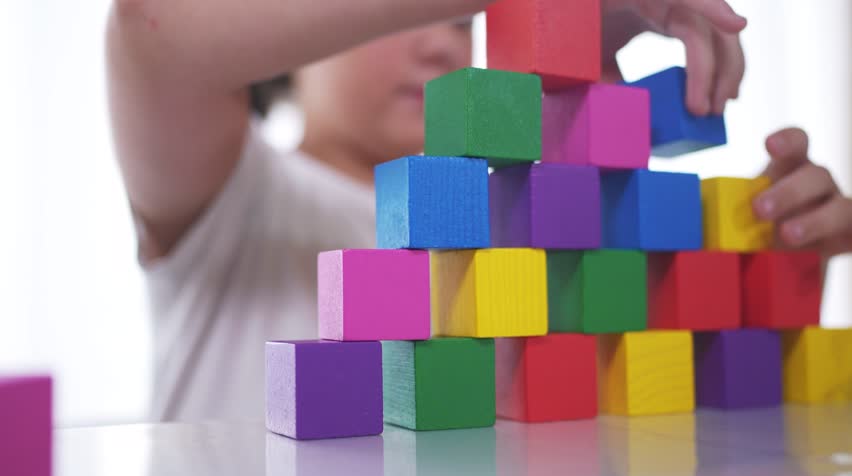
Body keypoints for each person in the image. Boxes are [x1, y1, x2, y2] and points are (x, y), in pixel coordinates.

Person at [106, 0, 850, 422]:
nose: (439, 42)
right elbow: (152, 33)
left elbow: (639, 395)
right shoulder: (238, 194)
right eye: (395, 20)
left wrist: (761, 264)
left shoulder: (540, 219)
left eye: (468, 22)